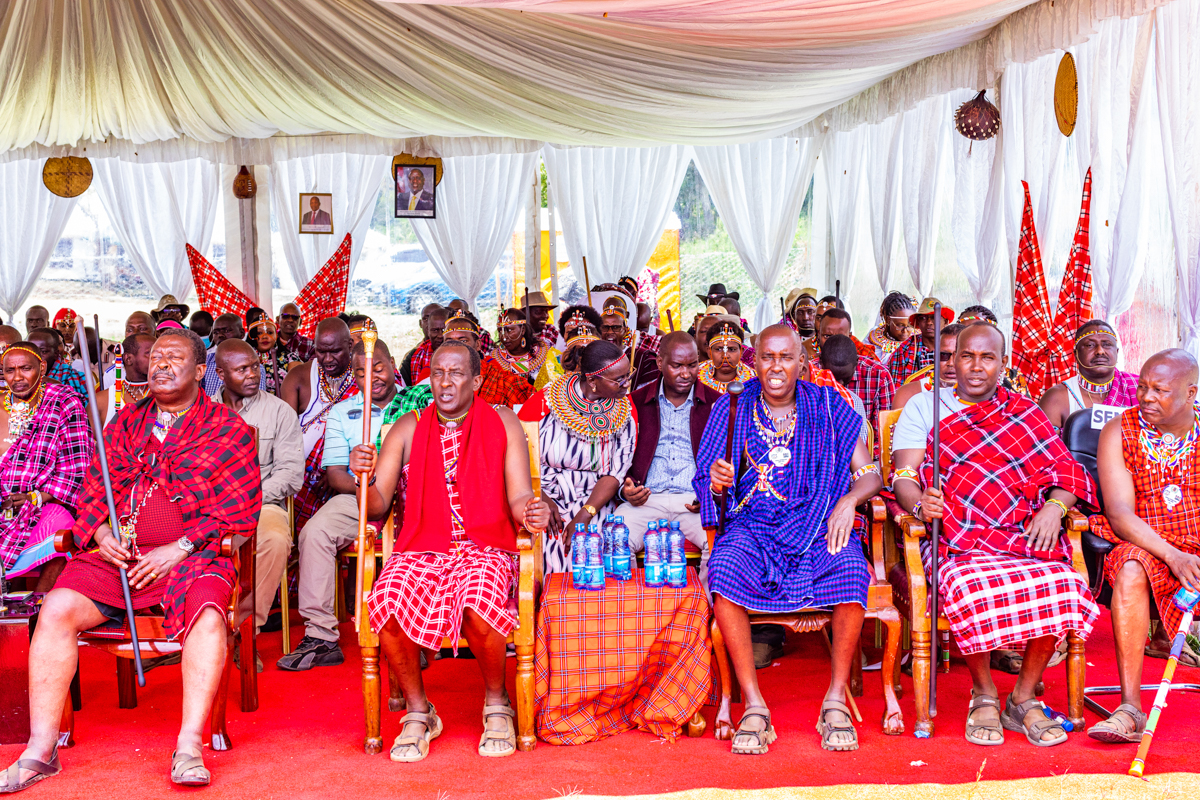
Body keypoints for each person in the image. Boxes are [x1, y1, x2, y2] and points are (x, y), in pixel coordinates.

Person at [0, 328, 260, 790]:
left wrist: (176, 548)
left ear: (200, 371)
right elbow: (92, 493)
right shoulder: (123, 424)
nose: (160, 364)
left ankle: (188, 746)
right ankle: (41, 752)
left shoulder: (228, 429)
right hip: (118, 561)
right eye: (155, 356)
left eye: (174, 357)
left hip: (191, 557)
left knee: (208, 617)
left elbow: (238, 510)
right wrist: (99, 533)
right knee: (55, 609)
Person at [891, 322, 1099, 748]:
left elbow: (1066, 473)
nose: (975, 366)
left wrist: (1054, 508)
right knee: (969, 587)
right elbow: (905, 476)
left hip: (1019, 532)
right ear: (951, 359)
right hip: (954, 535)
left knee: (1064, 583)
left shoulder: (1024, 411)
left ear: (1002, 364)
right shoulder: (925, 407)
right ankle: (983, 690)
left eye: (987, 358)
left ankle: (1022, 697)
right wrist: (918, 505)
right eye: (966, 356)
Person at [355, 340, 548, 760]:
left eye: (457, 373)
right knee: (386, 598)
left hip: (486, 543)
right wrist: (362, 476)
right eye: (438, 373)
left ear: (477, 380)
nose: (445, 382)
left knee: (480, 597)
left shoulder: (504, 421)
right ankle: (420, 711)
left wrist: (530, 512)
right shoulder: (407, 426)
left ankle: (497, 701)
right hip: (424, 546)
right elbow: (376, 505)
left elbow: (518, 496)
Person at [698, 324, 882, 753]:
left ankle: (835, 697)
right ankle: (754, 704)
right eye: (767, 357)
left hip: (818, 522)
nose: (776, 366)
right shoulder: (731, 409)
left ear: (802, 362)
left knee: (852, 567)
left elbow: (870, 473)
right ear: (754, 361)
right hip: (753, 526)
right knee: (722, 567)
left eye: (786, 357)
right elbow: (707, 479)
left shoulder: (830, 405)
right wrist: (718, 480)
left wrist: (848, 501)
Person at [278, 338, 432, 670]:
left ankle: (412, 631)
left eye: (378, 368)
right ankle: (320, 637)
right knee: (315, 533)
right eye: (361, 373)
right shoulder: (343, 413)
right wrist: (367, 483)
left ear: (392, 363)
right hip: (358, 495)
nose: (371, 378)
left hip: (417, 494)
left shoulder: (420, 402)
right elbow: (335, 475)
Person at [1086, 350, 1200, 743]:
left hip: (1196, 548)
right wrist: (1174, 555)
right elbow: (1120, 515)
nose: (1146, 397)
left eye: (1160, 390)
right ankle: (1130, 707)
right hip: (1142, 543)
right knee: (1132, 568)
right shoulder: (1118, 430)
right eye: (1142, 387)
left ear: (1191, 394)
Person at [212, 340, 305, 652]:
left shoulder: (279, 411)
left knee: (276, 540)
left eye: (255, 366)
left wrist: (250, 498)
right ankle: (191, 631)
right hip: (208, 510)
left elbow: (291, 474)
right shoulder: (201, 412)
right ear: (221, 374)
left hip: (262, 504)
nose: (253, 374)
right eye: (242, 369)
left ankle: (242, 632)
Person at [615, 332, 717, 583]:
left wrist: (710, 495)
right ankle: (631, 614)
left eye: (692, 365)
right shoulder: (634, 403)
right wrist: (624, 489)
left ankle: (704, 615)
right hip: (646, 500)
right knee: (616, 539)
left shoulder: (717, 403)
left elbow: (730, 461)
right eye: (677, 365)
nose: (686, 373)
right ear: (660, 363)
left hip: (696, 503)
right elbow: (615, 458)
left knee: (721, 547)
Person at [531, 341, 635, 573]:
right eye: (618, 379)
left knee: (594, 546)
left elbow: (614, 474)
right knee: (548, 541)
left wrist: (585, 514)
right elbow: (518, 458)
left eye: (628, 375)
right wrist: (541, 497)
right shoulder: (545, 401)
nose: (626, 383)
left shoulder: (625, 411)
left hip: (595, 498)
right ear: (592, 380)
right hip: (545, 492)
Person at [0, 342, 93, 590]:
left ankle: (39, 608)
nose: (17, 377)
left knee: (60, 526)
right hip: (2, 506)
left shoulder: (64, 403)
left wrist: (36, 497)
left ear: (41, 367)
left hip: (45, 506)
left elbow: (77, 468)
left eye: (25, 368)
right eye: (10, 371)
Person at [280, 318, 359, 532]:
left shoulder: (362, 378)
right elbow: (284, 436)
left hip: (346, 472)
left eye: (335, 352)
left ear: (350, 346)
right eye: (321, 352)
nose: (327, 359)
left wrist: (336, 470)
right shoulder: (299, 377)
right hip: (298, 473)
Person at [1039, 320, 1139, 430]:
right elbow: (1046, 445)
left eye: (1107, 344)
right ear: (1076, 354)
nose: (1100, 351)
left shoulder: (1138, 388)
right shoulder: (1056, 398)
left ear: (1117, 352)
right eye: (1090, 345)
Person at [818, 310, 894, 455]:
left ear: (851, 336)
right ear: (818, 336)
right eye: (827, 336)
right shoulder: (808, 372)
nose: (834, 342)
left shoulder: (879, 375)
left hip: (866, 458)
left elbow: (885, 436)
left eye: (841, 336)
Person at [442, 311, 532, 407]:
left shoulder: (503, 381)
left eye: (463, 341)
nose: (456, 347)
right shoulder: (435, 381)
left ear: (478, 345)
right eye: (450, 342)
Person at [956, 305, 1031, 396]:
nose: (971, 334)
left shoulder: (1013, 378)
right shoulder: (941, 373)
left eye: (979, 329)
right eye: (963, 330)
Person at [891, 323, 962, 412]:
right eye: (943, 355)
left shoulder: (982, 395)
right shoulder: (908, 394)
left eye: (959, 356)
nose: (951, 363)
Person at [887, 297, 953, 384]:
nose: (929, 322)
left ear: (946, 322)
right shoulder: (904, 350)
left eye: (934, 317)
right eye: (923, 318)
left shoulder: (955, 346)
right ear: (917, 322)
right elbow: (896, 388)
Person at [599, 296, 660, 389]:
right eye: (605, 327)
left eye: (616, 327)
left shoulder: (641, 357)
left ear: (624, 330)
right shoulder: (593, 356)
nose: (610, 332)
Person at [94, 333, 154, 425]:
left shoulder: (169, 396)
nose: (158, 359)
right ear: (128, 359)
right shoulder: (101, 401)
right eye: (150, 353)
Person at [492, 308, 558, 390]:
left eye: (509, 330)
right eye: (500, 331)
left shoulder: (546, 353)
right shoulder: (493, 360)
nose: (504, 337)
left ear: (522, 330)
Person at [203, 313, 253, 396]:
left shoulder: (252, 364)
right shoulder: (205, 362)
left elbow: (255, 402)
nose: (220, 335)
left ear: (241, 333)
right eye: (216, 332)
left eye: (227, 331)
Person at [28, 328, 87, 400]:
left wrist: (57, 387)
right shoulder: (17, 377)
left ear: (56, 354)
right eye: (30, 351)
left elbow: (86, 409)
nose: (36, 356)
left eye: (43, 352)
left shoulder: (79, 378)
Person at [698, 319, 753, 393]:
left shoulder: (753, 379)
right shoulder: (695, 376)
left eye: (732, 349)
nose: (725, 356)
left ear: (741, 352)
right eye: (718, 349)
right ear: (709, 352)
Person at [402, 307, 449, 385]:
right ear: (428, 331)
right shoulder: (414, 355)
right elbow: (404, 385)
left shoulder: (461, 355)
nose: (440, 335)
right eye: (435, 330)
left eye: (444, 330)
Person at [868, 292, 917, 364]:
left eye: (910, 326)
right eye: (900, 325)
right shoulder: (873, 338)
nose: (905, 330)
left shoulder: (919, 340)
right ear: (888, 320)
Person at [248, 318, 288, 395]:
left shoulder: (289, 357)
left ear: (276, 336)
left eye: (270, 332)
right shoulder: (243, 358)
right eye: (259, 333)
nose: (265, 336)